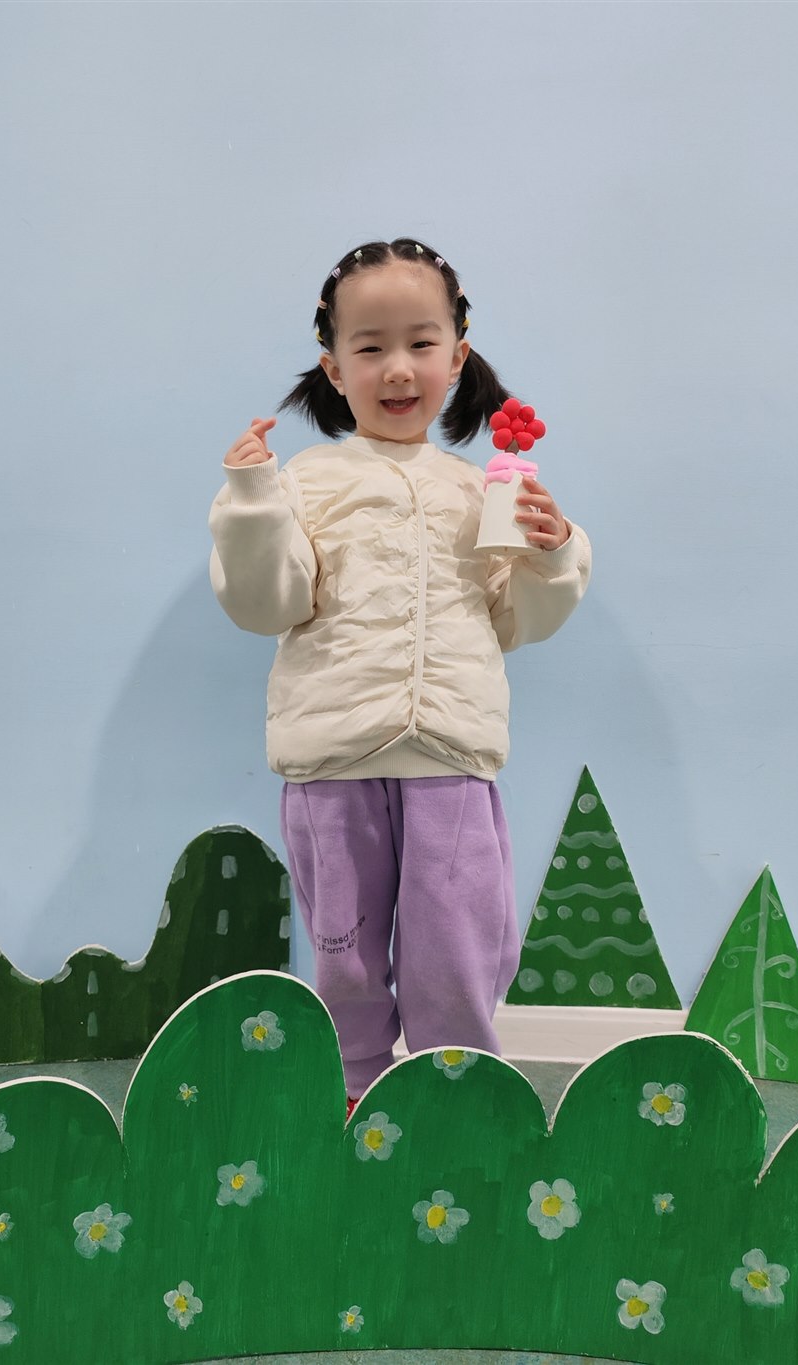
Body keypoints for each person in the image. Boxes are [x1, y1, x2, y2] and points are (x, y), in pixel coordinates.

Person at [209, 238, 591, 1106]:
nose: (397, 367)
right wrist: (251, 502)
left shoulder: (480, 489)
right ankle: (353, 1089)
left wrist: (552, 552)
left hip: (451, 758)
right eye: (370, 346)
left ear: (457, 356)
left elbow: (516, 620)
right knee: (342, 952)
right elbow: (267, 604)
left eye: (421, 343)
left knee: (457, 948)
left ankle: (456, 1090)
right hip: (332, 761)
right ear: (334, 367)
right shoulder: (305, 483)